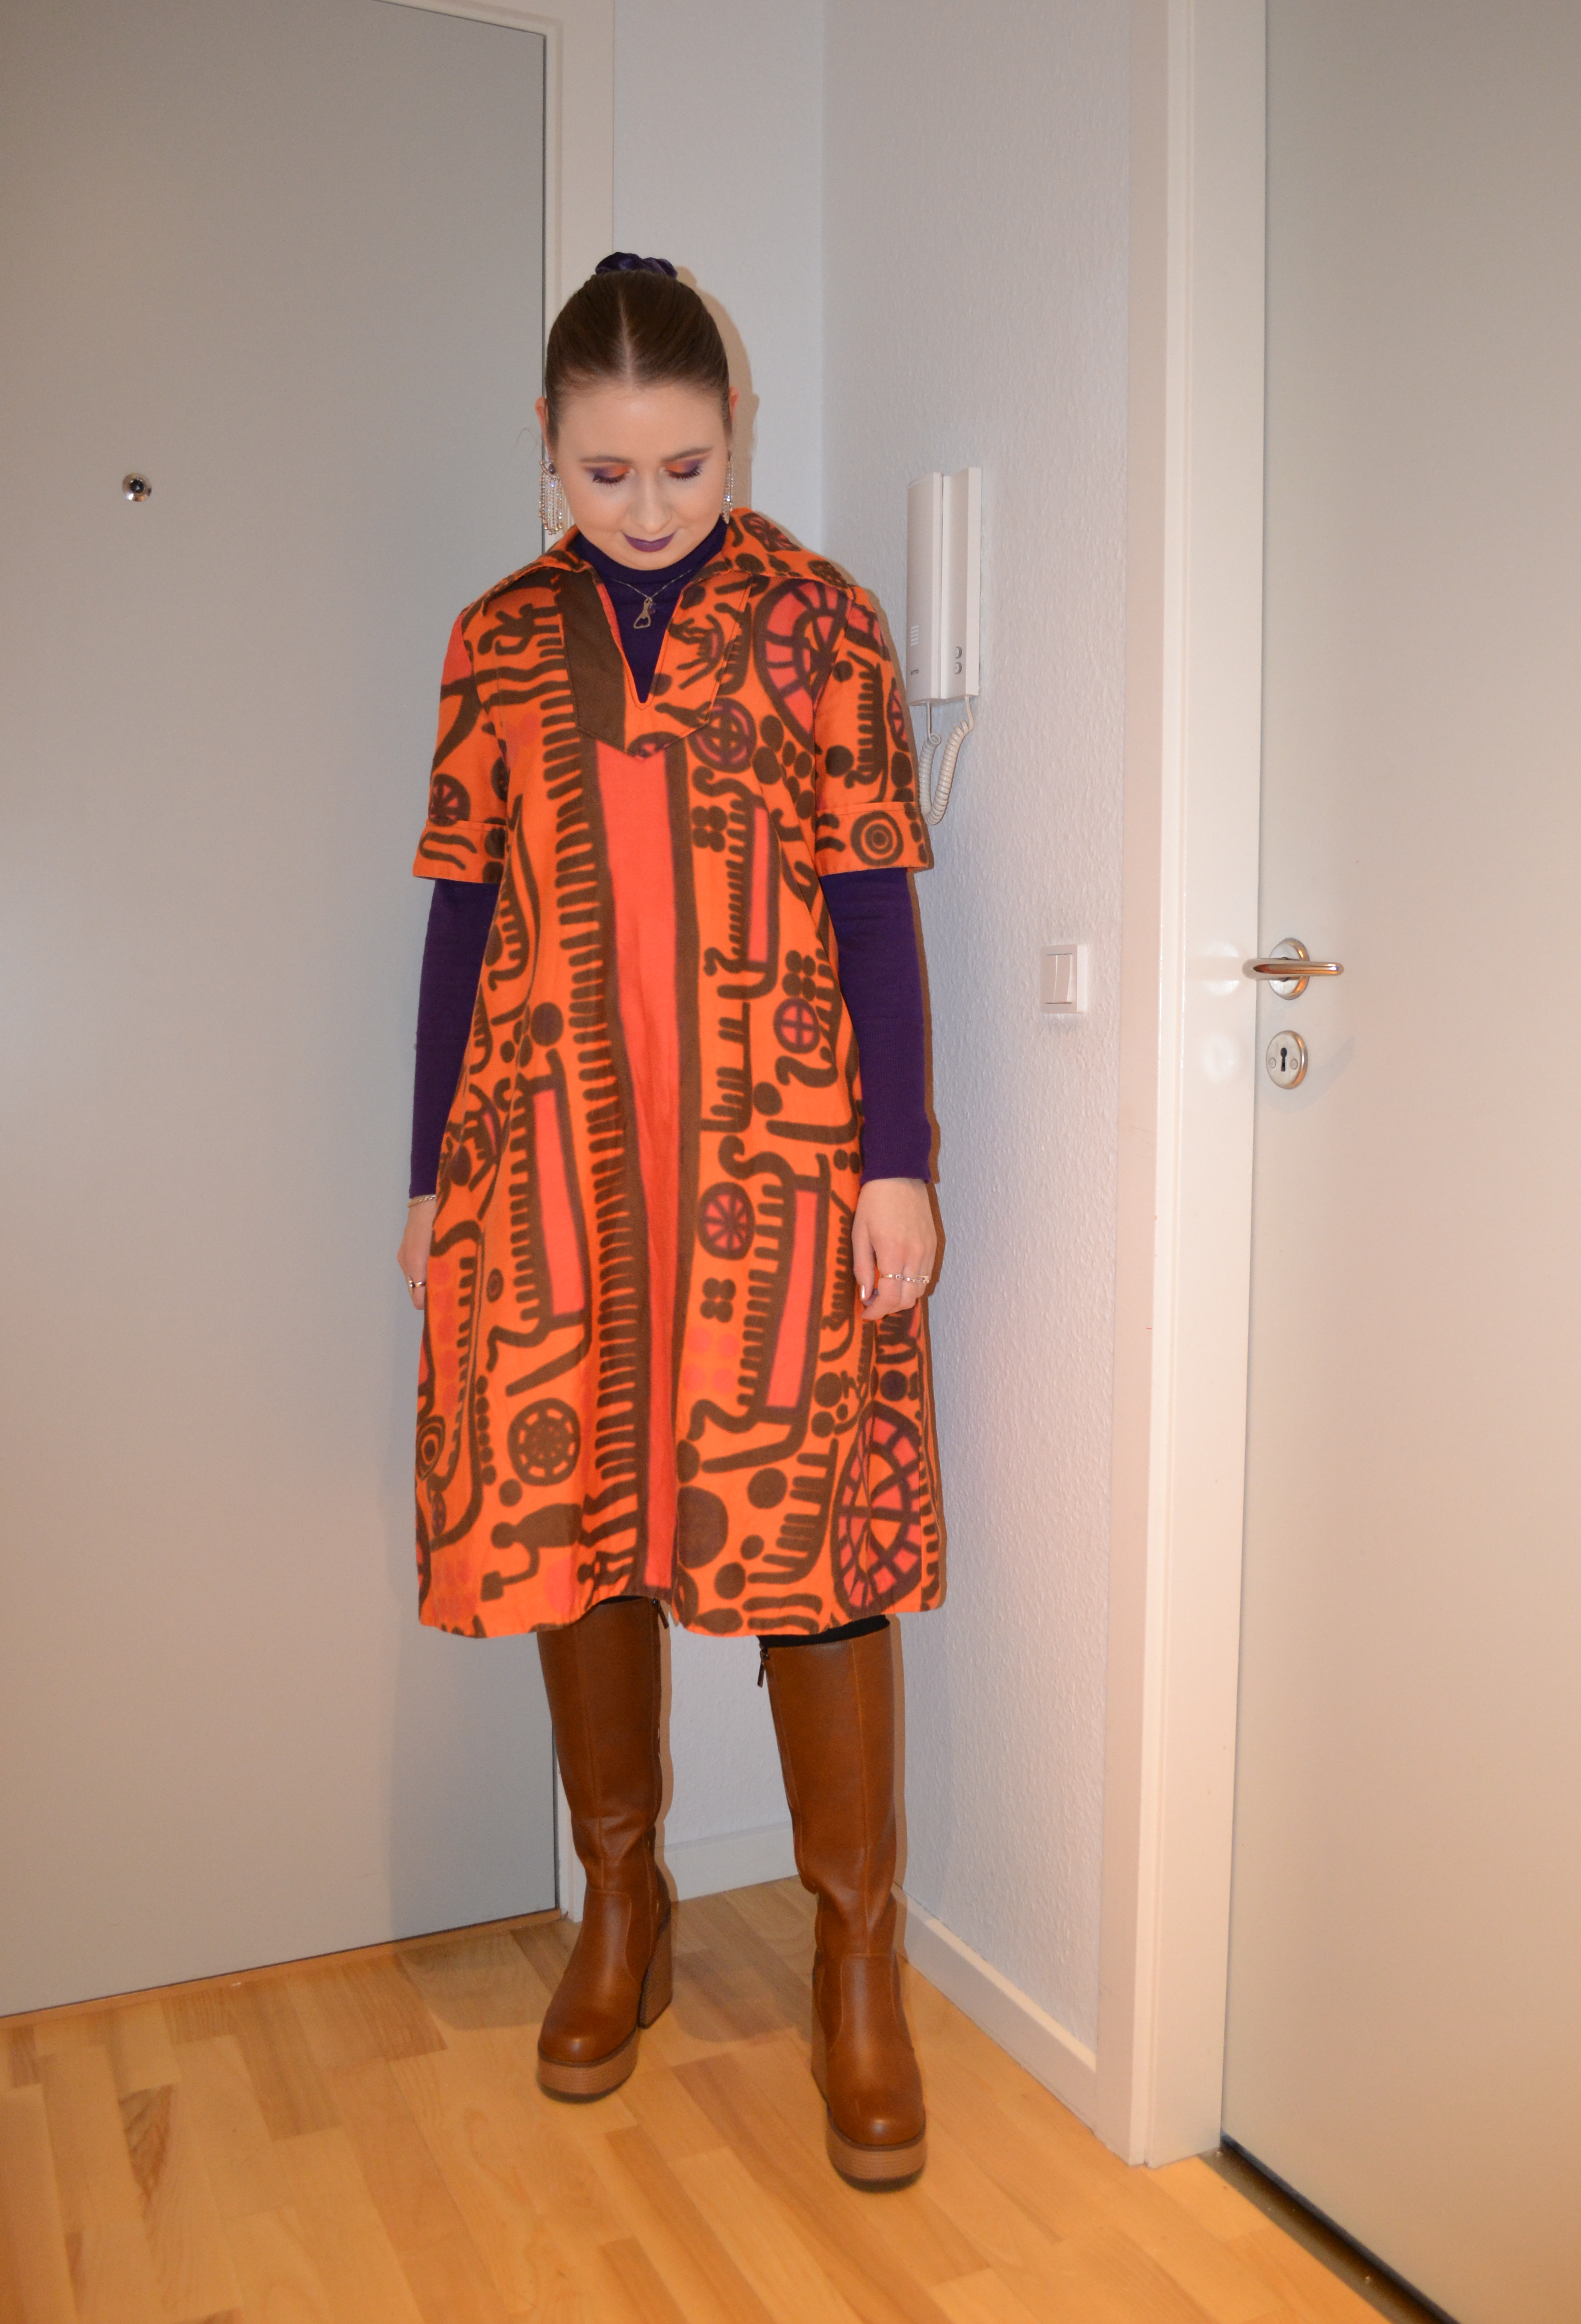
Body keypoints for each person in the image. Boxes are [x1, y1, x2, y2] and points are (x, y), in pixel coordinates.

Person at [397, 254, 944, 2186]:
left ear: (740, 437)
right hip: (546, 1161)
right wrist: (425, 1176)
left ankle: (857, 1960)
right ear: (547, 450)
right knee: (575, 1523)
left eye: (685, 468)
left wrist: (900, 1159)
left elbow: (874, 898)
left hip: (778, 1167)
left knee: (817, 1533)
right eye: (605, 472)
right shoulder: (493, 641)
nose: (646, 508)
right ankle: (619, 1904)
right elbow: (460, 915)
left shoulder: (824, 624)